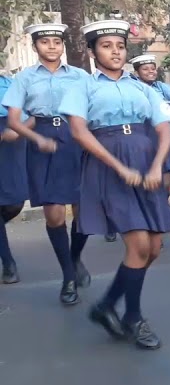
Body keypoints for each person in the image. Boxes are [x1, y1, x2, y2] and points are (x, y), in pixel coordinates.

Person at [61, 19, 170, 350]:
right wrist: (117, 166)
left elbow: (163, 128)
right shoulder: (83, 87)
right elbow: (79, 131)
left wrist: (157, 165)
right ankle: (134, 316)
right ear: (92, 51)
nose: (115, 51)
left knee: (154, 248)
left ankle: (106, 305)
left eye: (120, 46)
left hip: (146, 164)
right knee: (138, 246)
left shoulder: (141, 87)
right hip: (108, 167)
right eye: (106, 46)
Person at [2, 23, 92, 305]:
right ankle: (67, 277)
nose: (51, 46)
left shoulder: (80, 76)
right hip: (42, 139)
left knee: (83, 213)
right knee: (54, 215)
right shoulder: (24, 79)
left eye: (56, 41)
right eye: (45, 42)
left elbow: (94, 107)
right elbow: (15, 120)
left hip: (75, 137)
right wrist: (35, 139)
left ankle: (75, 256)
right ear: (35, 47)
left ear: (62, 45)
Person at [131, 54, 170, 193]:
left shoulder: (160, 86)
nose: (151, 72)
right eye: (146, 69)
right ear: (136, 73)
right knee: (146, 179)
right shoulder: (132, 88)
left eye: (153, 69)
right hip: (143, 134)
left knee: (166, 179)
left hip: (162, 134)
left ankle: (166, 209)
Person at [0, 69, 28, 284]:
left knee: (15, 200)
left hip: (12, 134)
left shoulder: (12, 82)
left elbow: (32, 112)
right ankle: (8, 263)